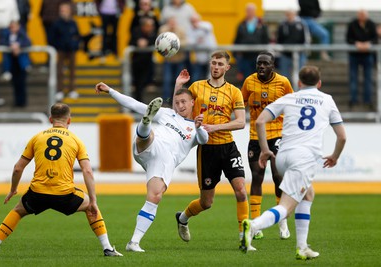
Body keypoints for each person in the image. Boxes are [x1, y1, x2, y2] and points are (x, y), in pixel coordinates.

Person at [0, 103, 123, 257]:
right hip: (65, 194)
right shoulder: (76, 140)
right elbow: (87, 171)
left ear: (50, 119)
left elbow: (17, 168)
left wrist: (13, 189)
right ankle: (107, 248)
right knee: (90, 207)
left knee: (17, 211)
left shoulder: (37, 137)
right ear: (69, 121)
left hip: (38, 193)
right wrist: (93, 200)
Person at [242, 65, 347, 259]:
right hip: (304, 159)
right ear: (320, 83)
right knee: (287, 206)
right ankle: (253, 225)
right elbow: (342, 137)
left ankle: (302, 247)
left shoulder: (289, 98)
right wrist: (335, 156)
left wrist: (265, 150)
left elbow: (259, 121)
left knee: (308, 194)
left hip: (282, 155)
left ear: (299, 83)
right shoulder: (327, 100)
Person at [94, 82, 209, 252]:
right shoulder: (166, 114)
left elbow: (204, 139)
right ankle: (145, 124)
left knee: (154, 197)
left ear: (193, 102)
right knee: (150, 135)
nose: (180, 105)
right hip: (151, 145)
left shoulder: (195, 126)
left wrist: (198, 128)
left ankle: (133, 242)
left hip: (164, 162)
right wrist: (110, 91)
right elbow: (133, 104)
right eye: (177, 102)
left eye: (184, 102)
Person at [173, 51, 251, 251]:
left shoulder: (234, 91)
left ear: (227, 68)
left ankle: (244, 238)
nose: (216, 67)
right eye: (213, 63)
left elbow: (241, 122)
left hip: (228, 147)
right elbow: (179, 112)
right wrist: (178, 86)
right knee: (206, 203)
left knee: (241, 191)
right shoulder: (197, 87)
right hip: (207, 150)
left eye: (220, 64)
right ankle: (183, 218)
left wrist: (215, 127)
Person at [241, 51, 294, 240]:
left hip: (278, 134)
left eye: (265, 64)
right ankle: (256, 224)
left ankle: (282, 221)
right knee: (257, 176)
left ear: (273, 65)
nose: (261, 67)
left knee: (278, 176)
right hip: (256, 136)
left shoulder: (283, 82)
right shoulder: (249, 82)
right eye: (258, 64)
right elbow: (241, 104)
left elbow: (292, 105)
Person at [346, 9, 378, 110]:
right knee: (353, 78)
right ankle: (353, 100)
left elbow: (375, 39)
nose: (362, 16)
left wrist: (368, 44)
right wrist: (357, 43)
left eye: (364, 14)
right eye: (360, 14)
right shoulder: (352, 24)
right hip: (354, 55)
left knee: (368, 79)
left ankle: (367, 101)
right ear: (358, 15)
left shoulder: (371, 24)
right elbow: (348, 38)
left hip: (367, 55)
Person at [51, 1, 81, 101]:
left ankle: (72, 90)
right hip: (61, 50)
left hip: (71, 50)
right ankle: (60, 91)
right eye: (62, 10)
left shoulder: (73, 23)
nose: (63, 12)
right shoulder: (56, 24)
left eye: (65, 10)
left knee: (72, 71)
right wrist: (58, 46)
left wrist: (75, 45)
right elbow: (52, 38)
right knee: (60, 72)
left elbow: (77, 36)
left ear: (69, 11)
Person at [0, 20, 31, 107]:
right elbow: (2, 42)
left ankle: (22, 101)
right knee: (15, 83)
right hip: (11, 62)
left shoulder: (22, 34)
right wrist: (11, 46)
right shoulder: (7, 35)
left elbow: (28, 42)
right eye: (11, 27)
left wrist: (18, 45)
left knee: (21, 83)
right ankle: (17, 101)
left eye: (14, 26)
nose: (13, 28)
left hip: (21, 63)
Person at [233, 3, 269, 80]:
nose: (250, 12)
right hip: (245, 57)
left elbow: (266, 40)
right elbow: (237, 40)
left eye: (251, 10)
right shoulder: (241, 24)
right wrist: (235, 54)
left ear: (255, 11)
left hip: (258, 57)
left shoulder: (262, 24)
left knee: (259, 79)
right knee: (247, 79)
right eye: (248, 10)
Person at [158, 17, 187, 104]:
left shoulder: (181, 30)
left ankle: (179, 100)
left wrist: (174, 44)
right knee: (167, 80)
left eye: (173, 22)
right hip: (168, 60)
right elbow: (160, 42)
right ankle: (167, 101)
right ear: (168, 22)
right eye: (170, 22)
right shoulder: (163, 29)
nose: (172, 24)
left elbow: (186, 42)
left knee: (179, 81)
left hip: (180, 59)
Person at [277, 9, 310, 82]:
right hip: (285, 54)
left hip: (299, 54)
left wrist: (305, 51)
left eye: (291, 14)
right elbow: (279, 39)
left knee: (300, 75)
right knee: (284, 76)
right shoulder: (282, 25)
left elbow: (306, 38)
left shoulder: (301, 24)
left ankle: (299, 92)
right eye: (288, 14)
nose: (289, 16)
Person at [129, 17, 157, 102]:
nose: (151, 28)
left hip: (147, 62)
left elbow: (155, 43)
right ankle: (137, 101)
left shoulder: (152, 34)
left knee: (143, 83)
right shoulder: (136, 32)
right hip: (137, 62)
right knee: (137, 84)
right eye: (149, 26)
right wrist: (137, 43)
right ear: (144, 26)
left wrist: (147, 43)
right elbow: (130, 42)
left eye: (151, 26)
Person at [189, 13, 217, 81]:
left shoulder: (206, 24)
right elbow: (189, 41)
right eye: (193, 21)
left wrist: (198, 26)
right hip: (200, 57)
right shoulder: (190, 29)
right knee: (197, 76)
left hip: (211, 53)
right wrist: (197, 41)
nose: (194, 22)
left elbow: (209, 28)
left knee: (210, 73)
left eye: (195, 20)